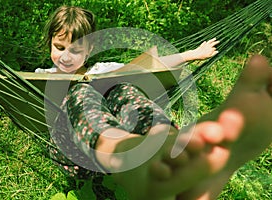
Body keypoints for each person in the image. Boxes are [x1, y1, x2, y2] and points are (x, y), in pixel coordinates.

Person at [38, 6, 272, 200]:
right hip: (73, 151)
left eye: (76, 50)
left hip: (116, 139)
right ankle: (125, 155)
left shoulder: (102, 70)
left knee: (123, 88)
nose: (66, 56)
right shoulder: (43, 76)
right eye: (59, 48)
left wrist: (192, 54)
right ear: (50, 43)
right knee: (81, 92)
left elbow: (150, 66)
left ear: (89, 50)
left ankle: (166, 143)